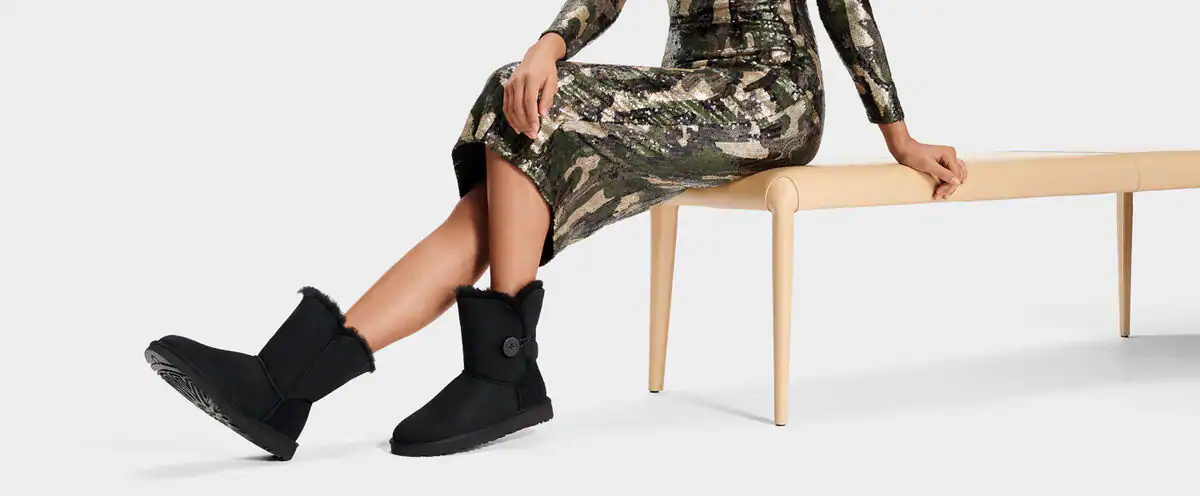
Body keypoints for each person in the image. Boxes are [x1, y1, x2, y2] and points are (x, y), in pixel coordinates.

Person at [144, 0, 968, 460]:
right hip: (683, 91)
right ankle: (286, 387)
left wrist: (898, 138)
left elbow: (848, 10)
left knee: (531, 104)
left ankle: (502, 372)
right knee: (512, 122)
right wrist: (549, 43)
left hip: (768, 100)